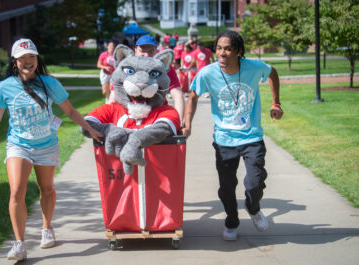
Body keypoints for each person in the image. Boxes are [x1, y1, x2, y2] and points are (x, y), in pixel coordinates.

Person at [0, 38, 103, 261]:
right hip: (18, 145)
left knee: (47, 189)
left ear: (37, 59)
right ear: (15, 62)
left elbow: (70, 111)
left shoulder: (50, 83)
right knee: (16, 191)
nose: (28, 61)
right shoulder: (6, 87)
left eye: (31, 57)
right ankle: (19, 243)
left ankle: (46, 228)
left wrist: (90, 130)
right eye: (23, 58)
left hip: (46, 145)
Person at [182, 31, 284, 241]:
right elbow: (192, 96)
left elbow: (272, 73)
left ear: (238, 51)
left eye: (228, 48)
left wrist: (276, 103)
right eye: (219, 48)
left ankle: (253, 207)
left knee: (254, 183)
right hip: (224, 140)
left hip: (251, 137)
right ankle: (232, 221)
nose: (222, 53)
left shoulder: (254, 67)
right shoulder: (207, 73)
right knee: (227, 187)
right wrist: (188, 124)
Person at [109, 35, 185, 123]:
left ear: (156, 51)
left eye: (151, 51)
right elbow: (114, 94)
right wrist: (111, 117)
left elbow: (177, 94)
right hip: (127, 114)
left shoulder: (162, 68)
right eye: (142, 50)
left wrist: (179, 122)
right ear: (135, 50)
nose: (147, 54)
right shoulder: (126, 66)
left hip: (157, 114)